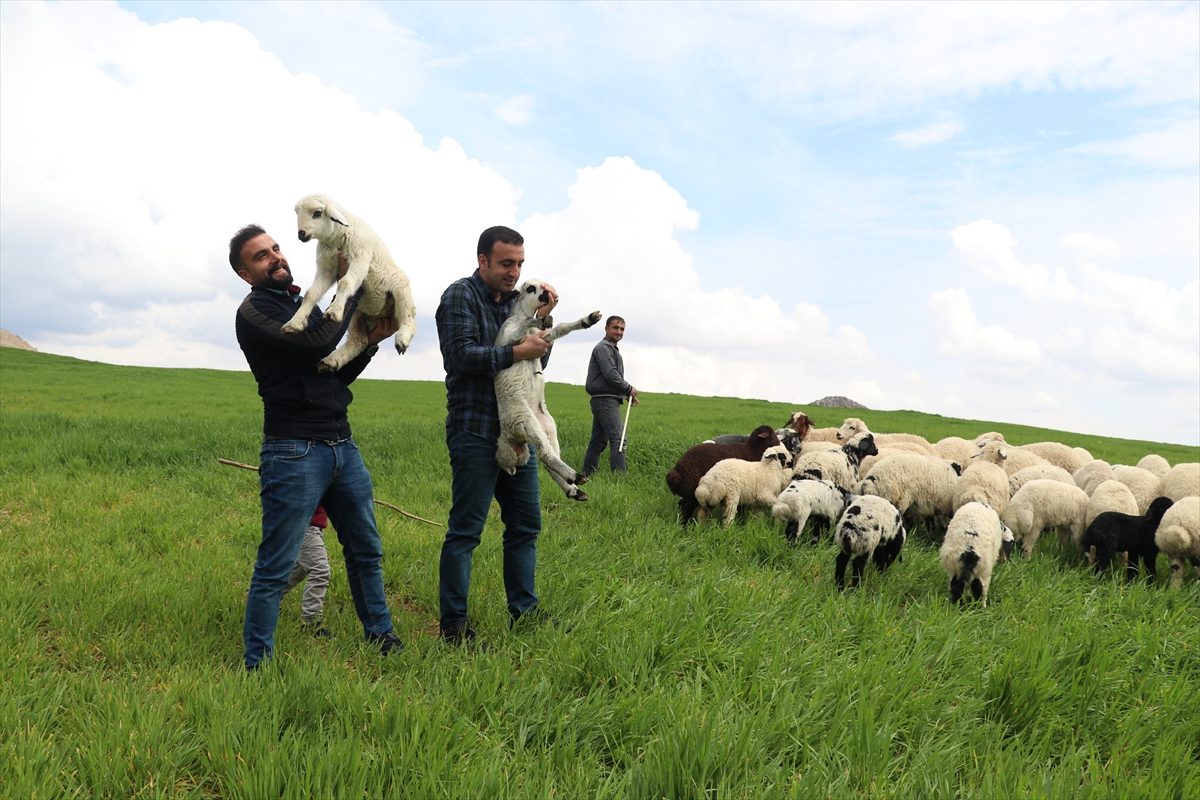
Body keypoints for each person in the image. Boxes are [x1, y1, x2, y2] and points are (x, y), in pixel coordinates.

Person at [230, 223, 402, 670]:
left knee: (365, 549)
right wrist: (349, 287)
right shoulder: (256, 314)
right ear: (246, 275)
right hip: (293, 451)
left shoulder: (297, 303)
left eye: (276, 248)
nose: (276, 257)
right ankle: (257, 665)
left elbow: (331, 372)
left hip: (342, 445)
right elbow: (316, 343)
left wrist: (368, 346)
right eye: (261, 257)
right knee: (276, 562)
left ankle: (381, 636)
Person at [434, 225, 557, 645]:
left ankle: (524, 613)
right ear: (483, 260)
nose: (514, 271)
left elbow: (534, 365)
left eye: (520, 263)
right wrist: (515, 351)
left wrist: (541, 321)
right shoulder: (460, 296)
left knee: (525, 526)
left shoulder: (518, 304)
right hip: (475, 429)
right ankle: (453, 627)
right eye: (506, 263)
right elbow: (460, 355)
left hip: (518, 433)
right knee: (466, 531)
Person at [582, 315, 639, 476]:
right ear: (606, 328)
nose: (619, 332)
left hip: (606, 398)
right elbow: (610, 374)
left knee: (598, 441)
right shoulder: (603, 348)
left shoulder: (611, 348)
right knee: (619, 439)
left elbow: (611, 378)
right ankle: (620, 477)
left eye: (622, 329)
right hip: (604, 400)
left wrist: (625, 393)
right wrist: (628, 388)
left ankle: (587, 474)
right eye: (615, 328)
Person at [283, 503, 332, 637]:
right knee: (320, 570)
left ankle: (261, 597)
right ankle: (312, 623)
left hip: (311, 524)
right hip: (303, 524)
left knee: (299, 569)